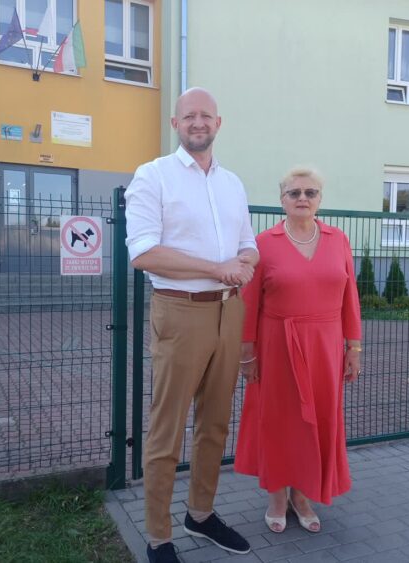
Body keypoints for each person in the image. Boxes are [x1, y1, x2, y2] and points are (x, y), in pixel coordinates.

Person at [125, 87, 259, 563]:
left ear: (218, 123)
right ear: (175, 123)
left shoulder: (232, 183)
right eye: (189, 116)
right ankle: (158, 538)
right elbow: (143, 252)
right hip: (180, 312)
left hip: (229, 310)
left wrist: (243, 263)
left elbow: (248, 245)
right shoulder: (153, 176)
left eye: (206, 115)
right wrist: (217, 268)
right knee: (167, 429)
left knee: (215, 424)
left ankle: (200, 515)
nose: (198, 122)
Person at [234, 168, 362, 534]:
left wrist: (354, 346)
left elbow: (350, 297)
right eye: (294, 193)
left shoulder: (338, 239)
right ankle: (277, 496)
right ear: (282, 200)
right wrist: (247, 354)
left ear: (320, 199)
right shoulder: (264, 243)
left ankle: (302, 495)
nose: (302, 198)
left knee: (316, 422)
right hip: (277, 346)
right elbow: (249, 304)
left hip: (325, 348)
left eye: (310, 192)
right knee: (278, 422)